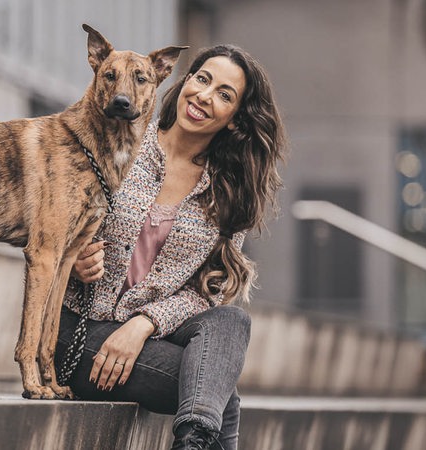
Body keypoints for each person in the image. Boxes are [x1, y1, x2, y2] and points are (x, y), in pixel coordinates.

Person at [54, 44, 286, 450]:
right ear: (185, 82)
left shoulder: (227, 189)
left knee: (231, 322)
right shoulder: (117, 142)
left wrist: (143, 324)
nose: (205, 96)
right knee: (217, 392)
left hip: (147, 338)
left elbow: (208, 292)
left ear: (234, 120)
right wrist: (72, 257)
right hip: (78, 330)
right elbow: (46, 228)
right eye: (202, 79)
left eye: (224, 95)